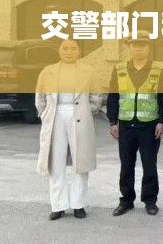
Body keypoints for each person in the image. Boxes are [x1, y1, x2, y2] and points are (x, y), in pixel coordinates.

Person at [107, 30, 163, 217]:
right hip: (126, 125)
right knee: (126, 165)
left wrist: (161, 120)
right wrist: (113, 121)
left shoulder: (159, 69)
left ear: (149, 47)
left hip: (149, 125)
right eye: (134, 45)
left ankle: (150, 201)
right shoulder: (119, 69)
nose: (138, 49)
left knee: (149, 164)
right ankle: (126, 200)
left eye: (142, 45)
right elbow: (113, 96)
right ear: (129, 47)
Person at [36, 38, 101, 220]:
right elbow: (40, 97)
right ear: (59, 50)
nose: (69, 52)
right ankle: (58, 205)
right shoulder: (47, 71)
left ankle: (78, 204)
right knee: (56, 162)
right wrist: (45, 114)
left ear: (79, 51)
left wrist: (88, 110)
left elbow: (96, 95)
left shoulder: (89, 71)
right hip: (55, 116)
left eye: (73, 48)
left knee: (81, 162)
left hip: (79, 115)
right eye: (65, 48)